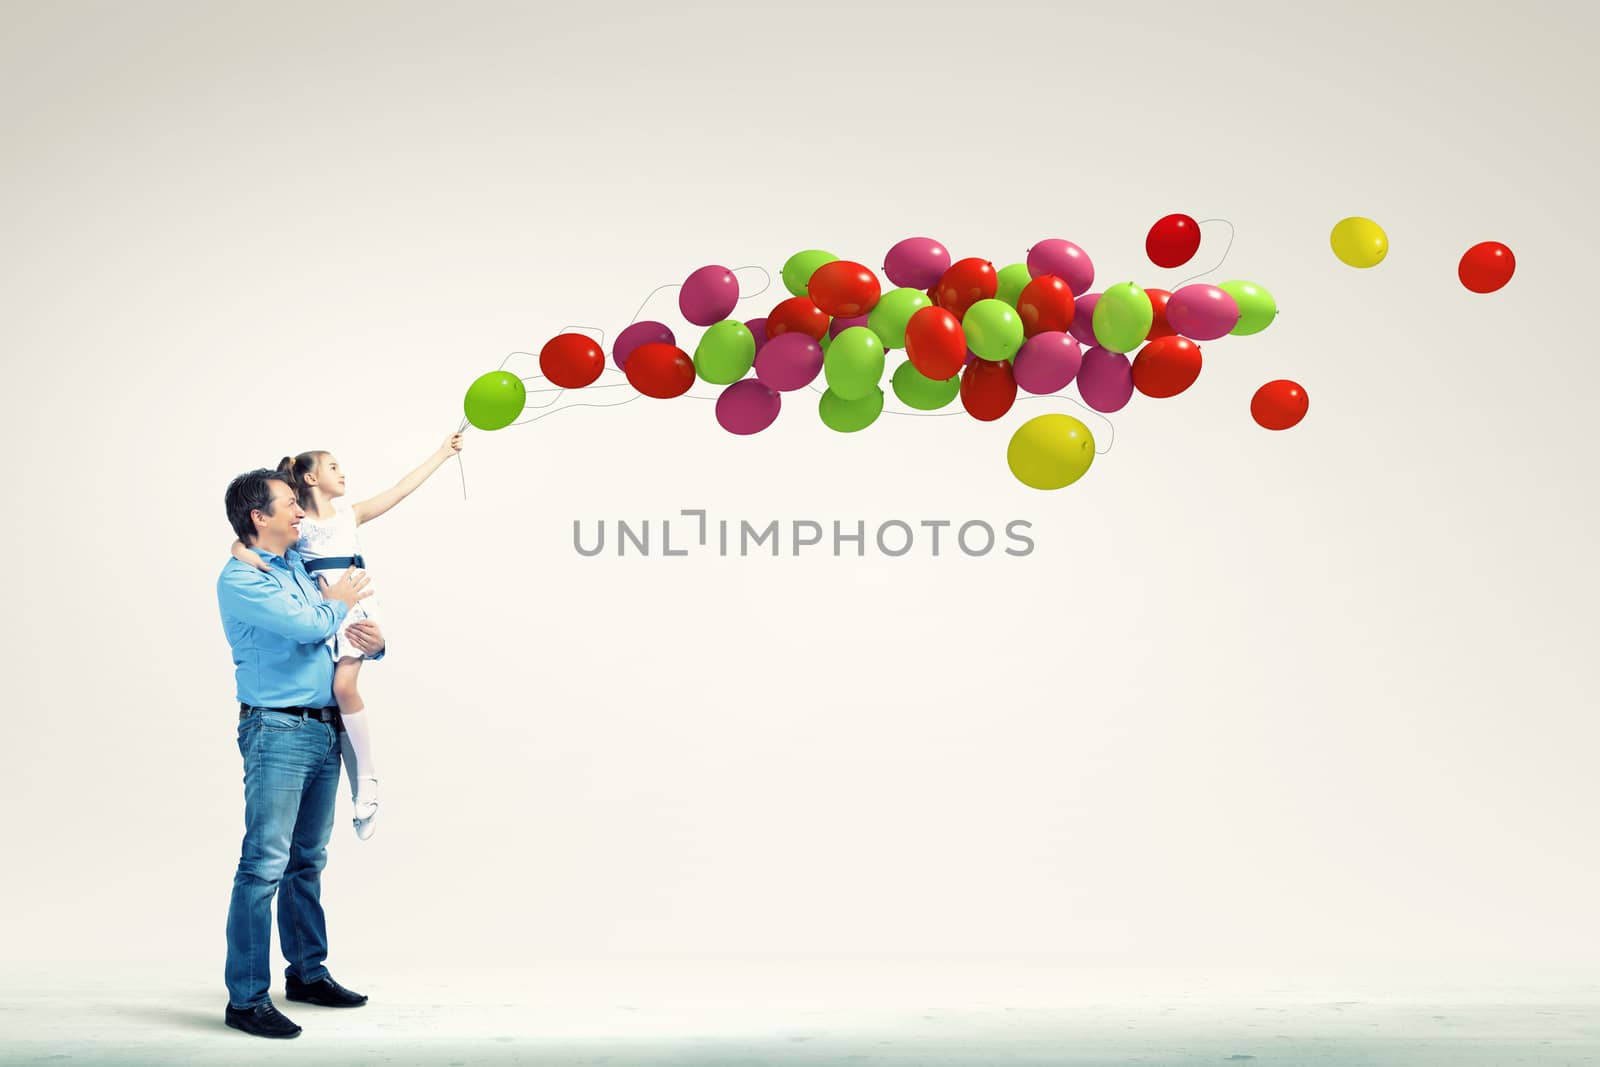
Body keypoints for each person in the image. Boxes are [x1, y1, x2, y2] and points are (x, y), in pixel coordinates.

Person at [218, 468, 387, 1039]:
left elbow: (340, 627)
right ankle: (245, 999)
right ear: (258, 517)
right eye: (290, 504)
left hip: (322, 728)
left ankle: (308, 974)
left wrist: (377, 643)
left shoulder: (284, 564)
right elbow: (307, 623)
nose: (301, 512)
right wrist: (337, 601)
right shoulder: (242, 581)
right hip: (277, 730)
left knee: (306, 861)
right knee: (263, 865)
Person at [231, 433, 463, 839]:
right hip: (322, 610)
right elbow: (251, 538)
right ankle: (358, 782)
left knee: (343, 687)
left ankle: (366, 780)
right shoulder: (296, 527)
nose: (343, 472)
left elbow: (399, 491)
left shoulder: (348, 516)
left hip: (353, 608)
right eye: (333, 466)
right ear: (308, 478)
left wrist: (443, 453)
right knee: (330, 693)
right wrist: (240, 550)